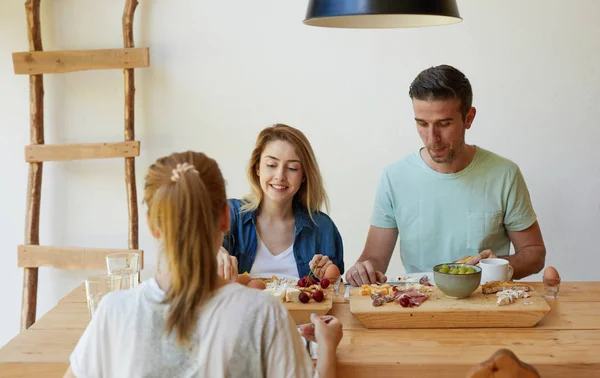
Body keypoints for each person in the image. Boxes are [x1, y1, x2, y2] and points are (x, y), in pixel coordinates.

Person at [63, 151, 343, 378]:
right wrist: (328, 347)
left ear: (152, 226)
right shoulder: (264, 314)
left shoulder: (114, 311)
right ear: (225, 218)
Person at [346, 65, 546, 286]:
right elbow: (374, 258)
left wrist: (500, 266)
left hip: (487, 304)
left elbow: (535, 254)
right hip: (418, 304)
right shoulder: (394, 177)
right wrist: (362, 270)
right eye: (422, 124)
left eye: (444, 124)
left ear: (468, 118)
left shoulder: (504, 174)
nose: (432, 138)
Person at [218, 124, 344, 282]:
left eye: (292, 168)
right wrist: (212, 250)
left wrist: (330, 278)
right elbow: (190, 247)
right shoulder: (230, 214)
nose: (280, 176)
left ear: (304, 175)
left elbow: (335, 292)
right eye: (271, 165)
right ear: (257, 168)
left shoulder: (322, 227)